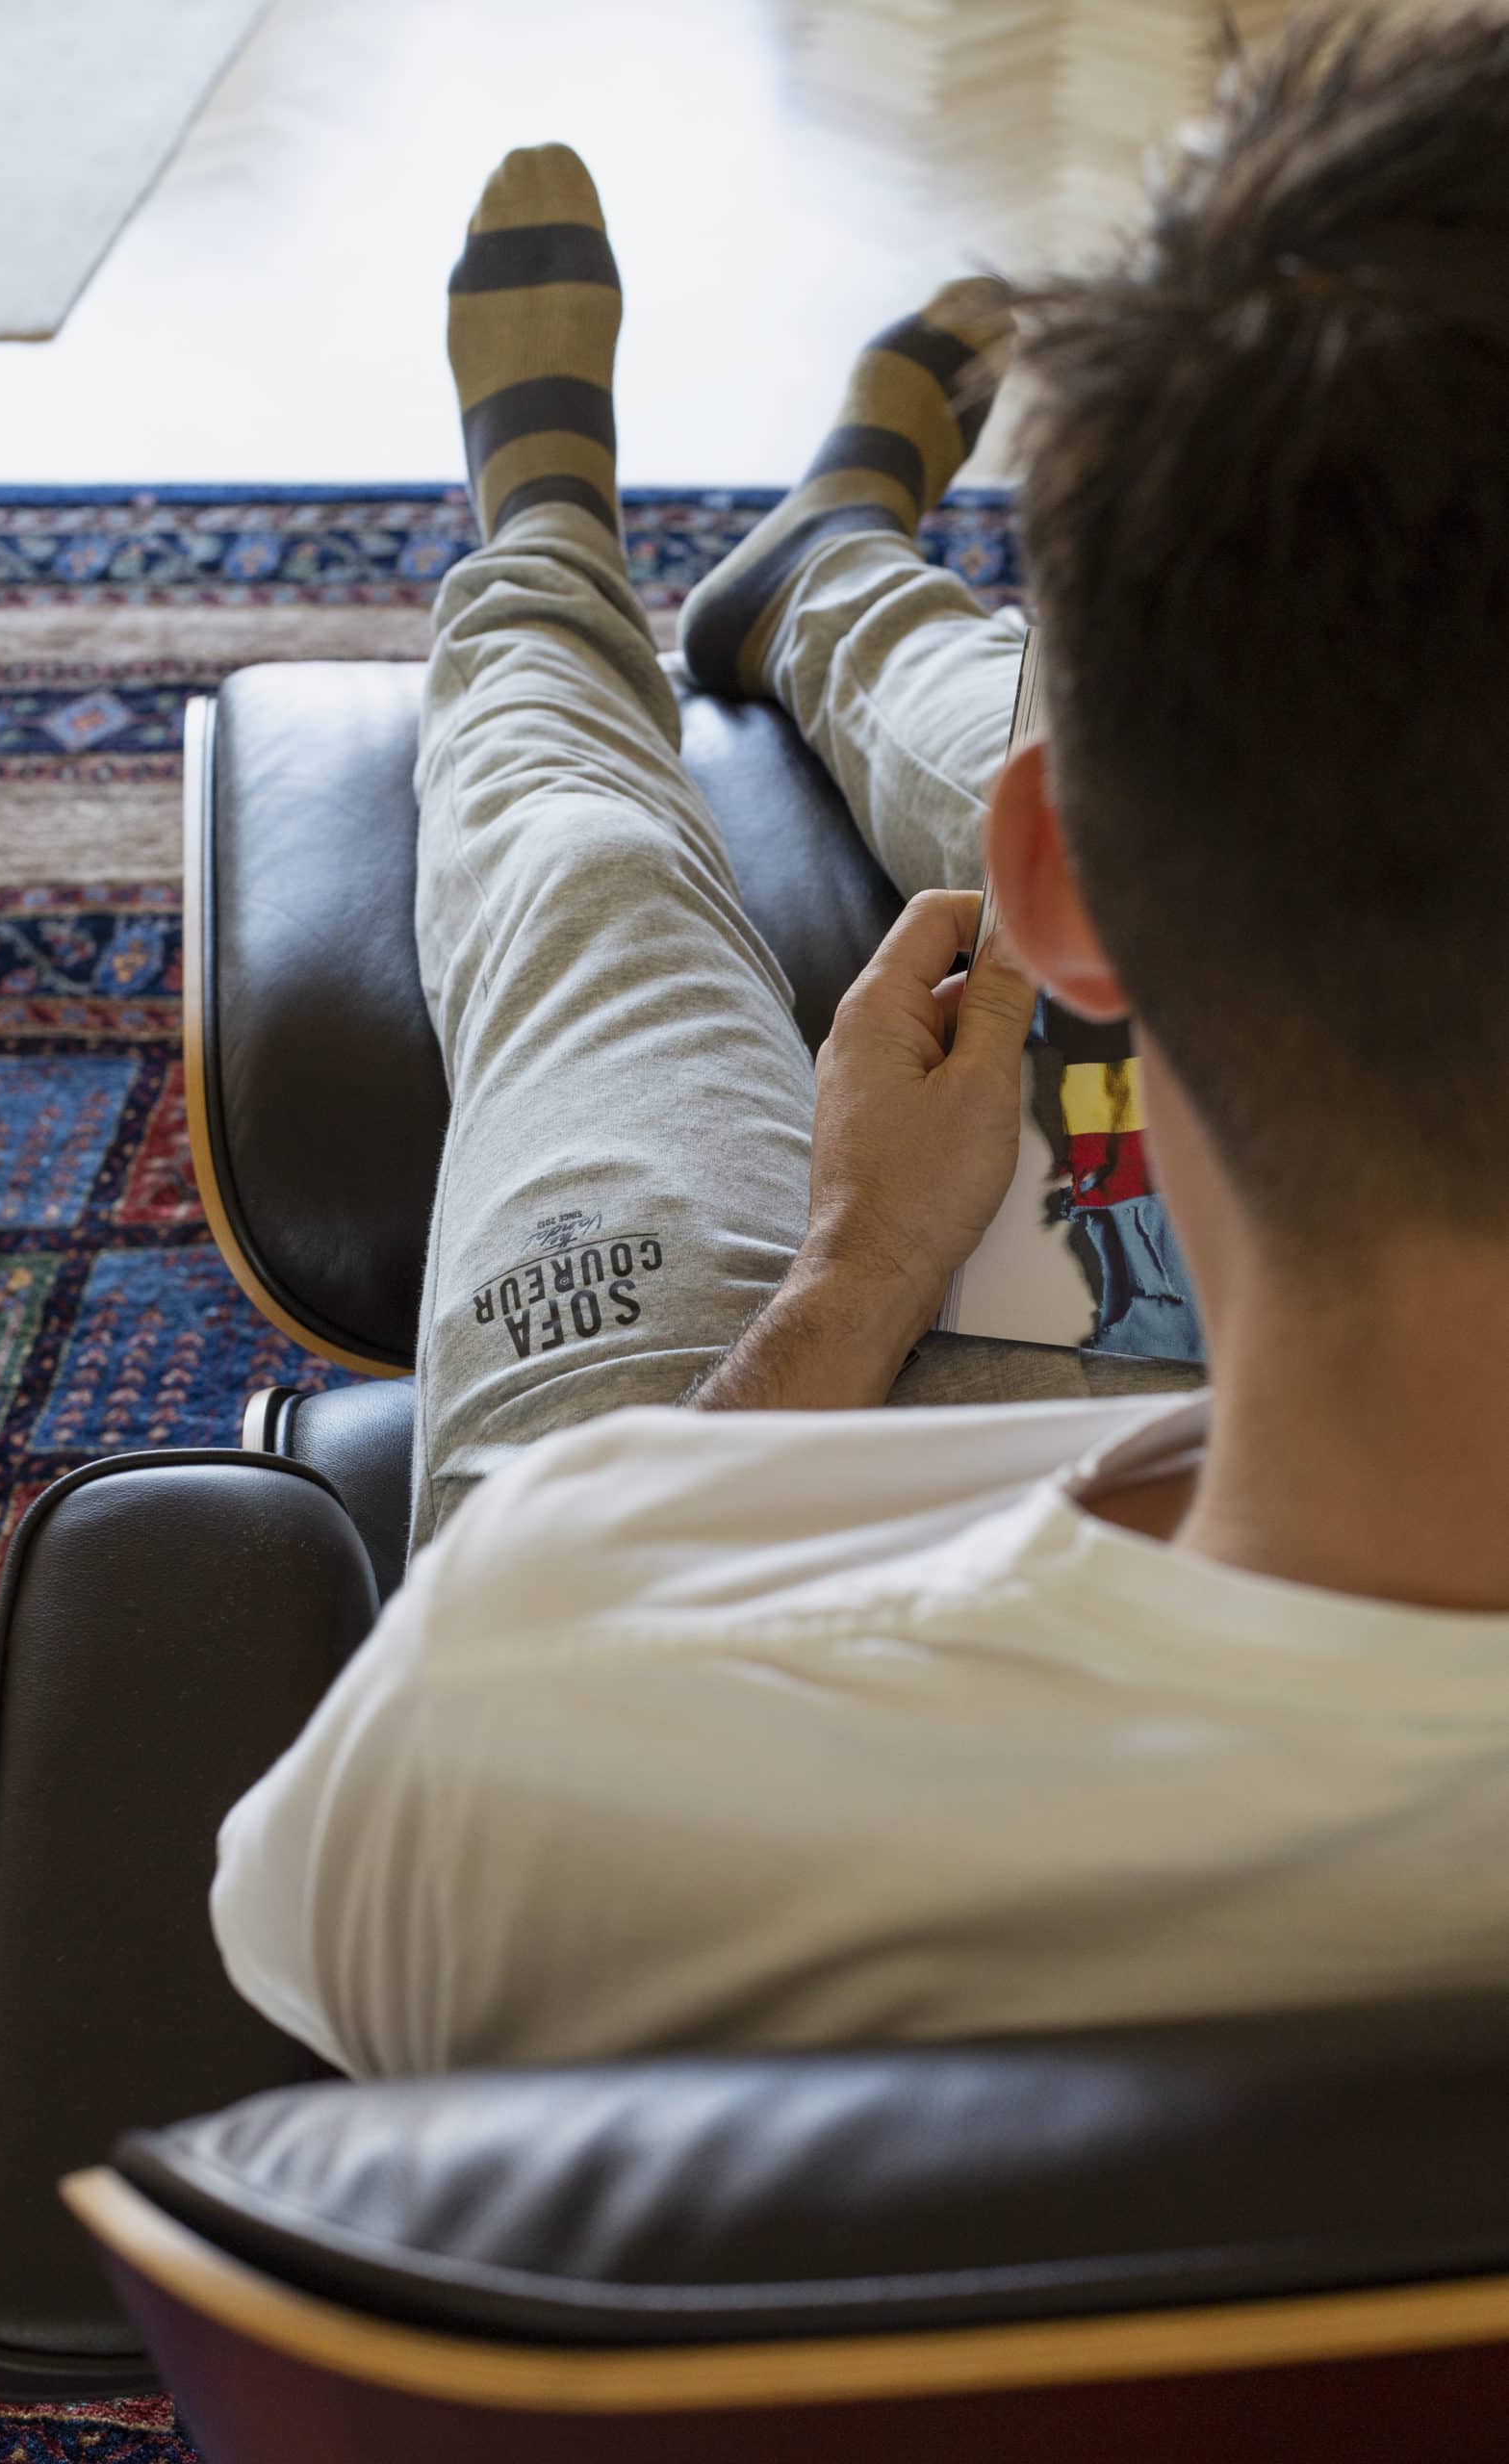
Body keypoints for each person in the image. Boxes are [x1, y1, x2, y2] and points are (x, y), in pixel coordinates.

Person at [210, 6, 1509, 2082]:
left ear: (1052, 900)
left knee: (595, 906)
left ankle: (542, 552)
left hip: (746, 1540)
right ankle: (823, 570)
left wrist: (857, 1266)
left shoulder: (521, 1715)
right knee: (1039, 749)